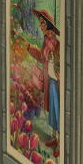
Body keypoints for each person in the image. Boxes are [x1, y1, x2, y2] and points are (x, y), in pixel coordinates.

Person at [28, 9, 61, 146]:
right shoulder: (46, 41)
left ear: (48, 25)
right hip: (50, 80)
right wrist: (29, 47)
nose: (40, 25)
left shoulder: (55, 42)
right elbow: (42, 57)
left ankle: (60, 141)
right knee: (52, 110)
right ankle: (55, 138)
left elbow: (58, 60)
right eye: (40, 23)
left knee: (57, 109)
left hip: (57, 80)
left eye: (42, 23)